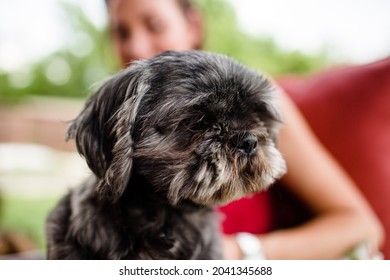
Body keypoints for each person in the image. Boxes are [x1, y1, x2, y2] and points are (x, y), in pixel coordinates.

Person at [104, 0, 384, 259]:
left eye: (154, 25)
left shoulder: (259, 105)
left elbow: (361, 226)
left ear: (193, 26)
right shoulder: (123, 125)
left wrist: (236, 253)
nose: (137, 47)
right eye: (122, 33)